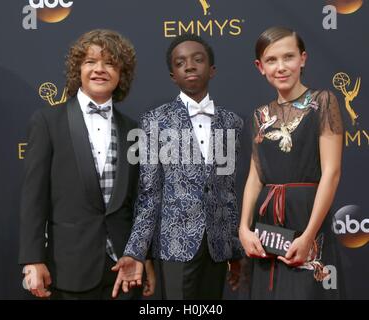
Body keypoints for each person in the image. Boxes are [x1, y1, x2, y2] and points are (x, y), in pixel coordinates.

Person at [19, 29, 155, 300]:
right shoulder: (48, 122)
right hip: (68, 269)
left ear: (121, 74)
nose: (100, 69)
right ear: (78, 69)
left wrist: (143, 256)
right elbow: (34, 198)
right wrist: (32, 260)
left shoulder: (133, 129)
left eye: (110, 63)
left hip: (124, 271)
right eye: (91, 61)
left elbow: (141, 201)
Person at [111, 34, 244, 299]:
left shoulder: (232, 122)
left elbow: (228, 193)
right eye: (181, 62)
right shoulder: (154, 121)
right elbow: (148, 194)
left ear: (212, 70)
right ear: (173, 75)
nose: (190, 66)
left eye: (198, 60)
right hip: (174, 245)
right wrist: (136, 250)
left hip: (217, 248)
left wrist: (235, 249)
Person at [239, 26, 344, 299]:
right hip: (266, 230)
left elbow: (331, 173)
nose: (281, 67)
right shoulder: (260, 115)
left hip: (308, 219)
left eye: (288, 57)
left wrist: (309, 236)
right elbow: (255, 177)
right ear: (260, 67)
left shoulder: (323, 102)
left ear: (303, 58)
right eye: (272, 60)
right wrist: (243, 228)